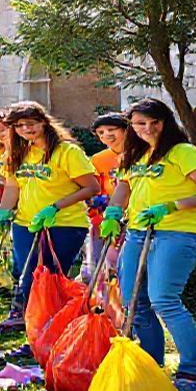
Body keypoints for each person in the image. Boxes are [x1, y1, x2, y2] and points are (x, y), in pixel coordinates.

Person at [101, 98, 196, 391]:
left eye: (154, 122)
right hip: (139, 232)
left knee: (163, 299)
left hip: (180, 231)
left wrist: (171, 206)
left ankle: (191, 374)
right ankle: (152, 368)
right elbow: (124, 189)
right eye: (140, 123)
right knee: (132, 301)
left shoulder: (183, 152)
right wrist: (113, 214)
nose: (148, 129)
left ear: (166, 122)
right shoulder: (134, 155)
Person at [0, 101, 99, 356]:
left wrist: (55, 207)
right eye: (20, 125)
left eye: (31, 124)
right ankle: (35, 338)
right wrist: (2, 212)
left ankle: (52, 337)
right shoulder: (17, 152)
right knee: (28, 282)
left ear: (44, 122)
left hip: (63, 224)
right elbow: (13, 187)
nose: (27, 129)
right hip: (25, 224)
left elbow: (91, 187)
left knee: (48, 283)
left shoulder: (67, 151)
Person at [81, 112, 128, 281]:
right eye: (101, 133)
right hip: (104, 219)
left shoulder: (140, 156)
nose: (106, 135)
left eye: (111, 130)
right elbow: (93, 189)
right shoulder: (98, 160)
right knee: (101, 264)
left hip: (134, 217)